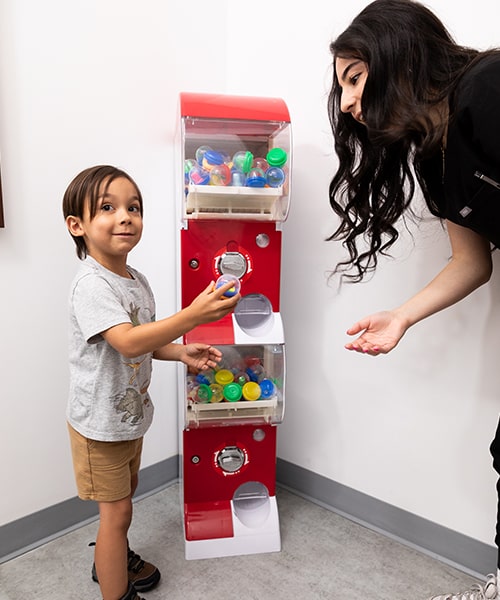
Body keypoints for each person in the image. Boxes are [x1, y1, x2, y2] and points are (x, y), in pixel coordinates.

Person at [327, 1, 500, 598]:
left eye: (354, 77)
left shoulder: (489, 86)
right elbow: (472, 261)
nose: (347, 102)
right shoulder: (433, 151)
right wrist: (402, 316)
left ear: (399, 54)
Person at [62, 165, 240, 600]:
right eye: (108, 207)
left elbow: (145, 337)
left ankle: (111, 559)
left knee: (124, 502)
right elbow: (125, 342)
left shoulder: (134, 280)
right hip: (99, 425)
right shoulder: (90, 284)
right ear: (77, 226)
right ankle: (116, 592)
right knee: (117, 512)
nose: (125, 216)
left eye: (133, 207)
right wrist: (192, 316)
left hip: (130, 418)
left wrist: (180, 350)